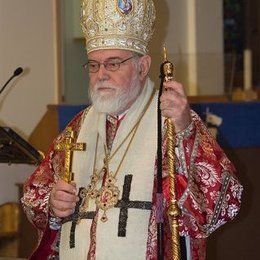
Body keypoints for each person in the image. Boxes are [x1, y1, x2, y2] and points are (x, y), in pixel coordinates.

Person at [22, 0, 243, 259]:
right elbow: (34, 192)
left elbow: (224, 201)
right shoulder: (78, 127)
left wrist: (186, 130)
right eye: (94, 65)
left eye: (113, 63)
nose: (101, 74)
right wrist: (53, 202)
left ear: (143, 66)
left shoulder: (172, 122)